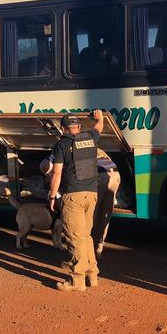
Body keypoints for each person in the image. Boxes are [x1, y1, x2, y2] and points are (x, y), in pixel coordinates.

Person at [48, 110, 104, 291]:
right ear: (78, 127)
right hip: (91, 194)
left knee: (75, 237)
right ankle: (92, 275)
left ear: (63, 128)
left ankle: (77, 280)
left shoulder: (61, 145)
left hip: (73, 195)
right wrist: (100, 118)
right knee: (86, 236)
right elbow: (98, 127)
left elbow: (56, 172)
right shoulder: (90, 138)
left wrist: (52, 195)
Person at [92, 149, 120, 256]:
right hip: (115, 175)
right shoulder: (97, 148)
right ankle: (99, 246)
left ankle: (90, 247)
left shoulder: (68, 145)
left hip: (100, 176)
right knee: (105, 213)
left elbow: (48, 166)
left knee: (93, 213)